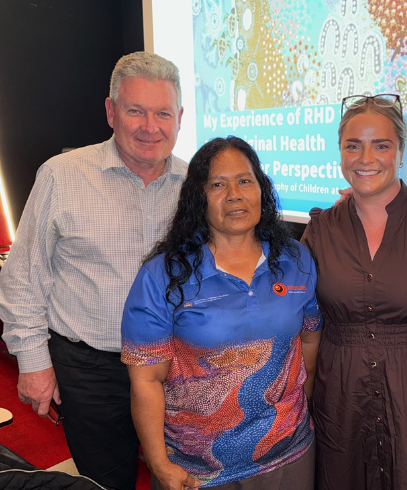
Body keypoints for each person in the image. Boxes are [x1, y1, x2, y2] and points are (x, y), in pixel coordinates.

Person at [0, 51, 186, 489]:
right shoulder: (62, 176)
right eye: (135, 111)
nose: (150, 126)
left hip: (175, 367)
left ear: (179, 118)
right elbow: (24, 275)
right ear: (110, 111)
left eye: (163, 113)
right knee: (104, 482)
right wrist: (33, 363)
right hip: (90, 370)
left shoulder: (196, 182)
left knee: (178, 477)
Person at [121, 136, 322, 490]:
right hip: (196, 471)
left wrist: (298, 406)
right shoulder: (162, 276)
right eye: (218, 184)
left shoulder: (294, 259)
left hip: (287, 456)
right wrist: (159, 463)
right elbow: (146, 381)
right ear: (198, 198)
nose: (234, 195)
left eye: (245, 181)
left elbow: (309, 339)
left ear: (261, 189)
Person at [302, 94, 407, 490]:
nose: (366, 158)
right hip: (343, 400)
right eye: (353, 146)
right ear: (340, 152)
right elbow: (299, 319)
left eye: (381, 145)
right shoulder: (320, 230)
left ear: (401, 152)